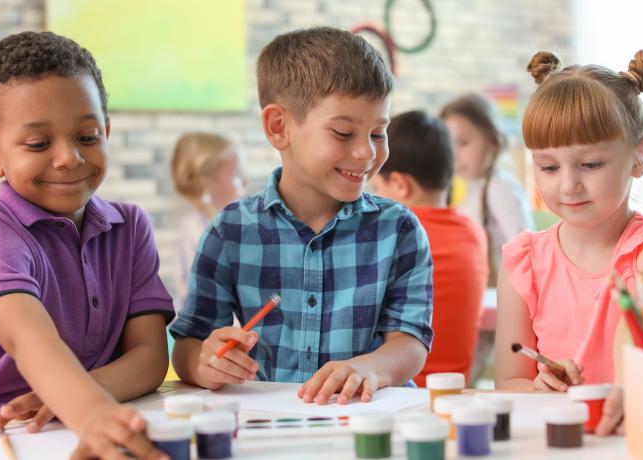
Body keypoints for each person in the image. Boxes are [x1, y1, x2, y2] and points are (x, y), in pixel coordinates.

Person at [0, 32, 173, 460]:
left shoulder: (129, 228)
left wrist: (70, 397)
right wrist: (90, 411)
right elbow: (27, 338)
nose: (69, 158)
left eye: (88, 136)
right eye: (39, 144)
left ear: (107, 133)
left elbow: (150, 356)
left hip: (52, 430)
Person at [170, 26, 433, 405]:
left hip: (368, 417)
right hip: (270, 422)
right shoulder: (231, 231)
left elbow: (410, 342)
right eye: (344, 133)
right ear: (279, 127)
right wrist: (203, 362)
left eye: (378, 133)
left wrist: (370, 368)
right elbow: (189, 344)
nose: (366, 153)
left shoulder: (399, 230)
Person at [495, 48, 643, 436]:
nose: (568, 184)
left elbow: (633, 349)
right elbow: (510, 382)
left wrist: (619, 390)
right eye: (549, 167)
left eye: (590, 164)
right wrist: (540, 387)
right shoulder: (523, 260)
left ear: (640, 156)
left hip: (639, 436)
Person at [370, 110, 488, 385]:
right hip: (452, 393)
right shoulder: (473, 232)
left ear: (399, 184)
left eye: (377, 188)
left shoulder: (391, 237)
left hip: (398, 393)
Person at [441, 93, 534, 282]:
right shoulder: (465, 189)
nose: (455, 154)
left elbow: (528, 254)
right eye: (448, 145)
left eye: (463, 143)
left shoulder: (500, 187)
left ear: (493, 140)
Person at [170, 132, 246, 311]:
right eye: (236, 175)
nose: (245, 181)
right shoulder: (200, 229)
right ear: (208, 183)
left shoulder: (221, 223)